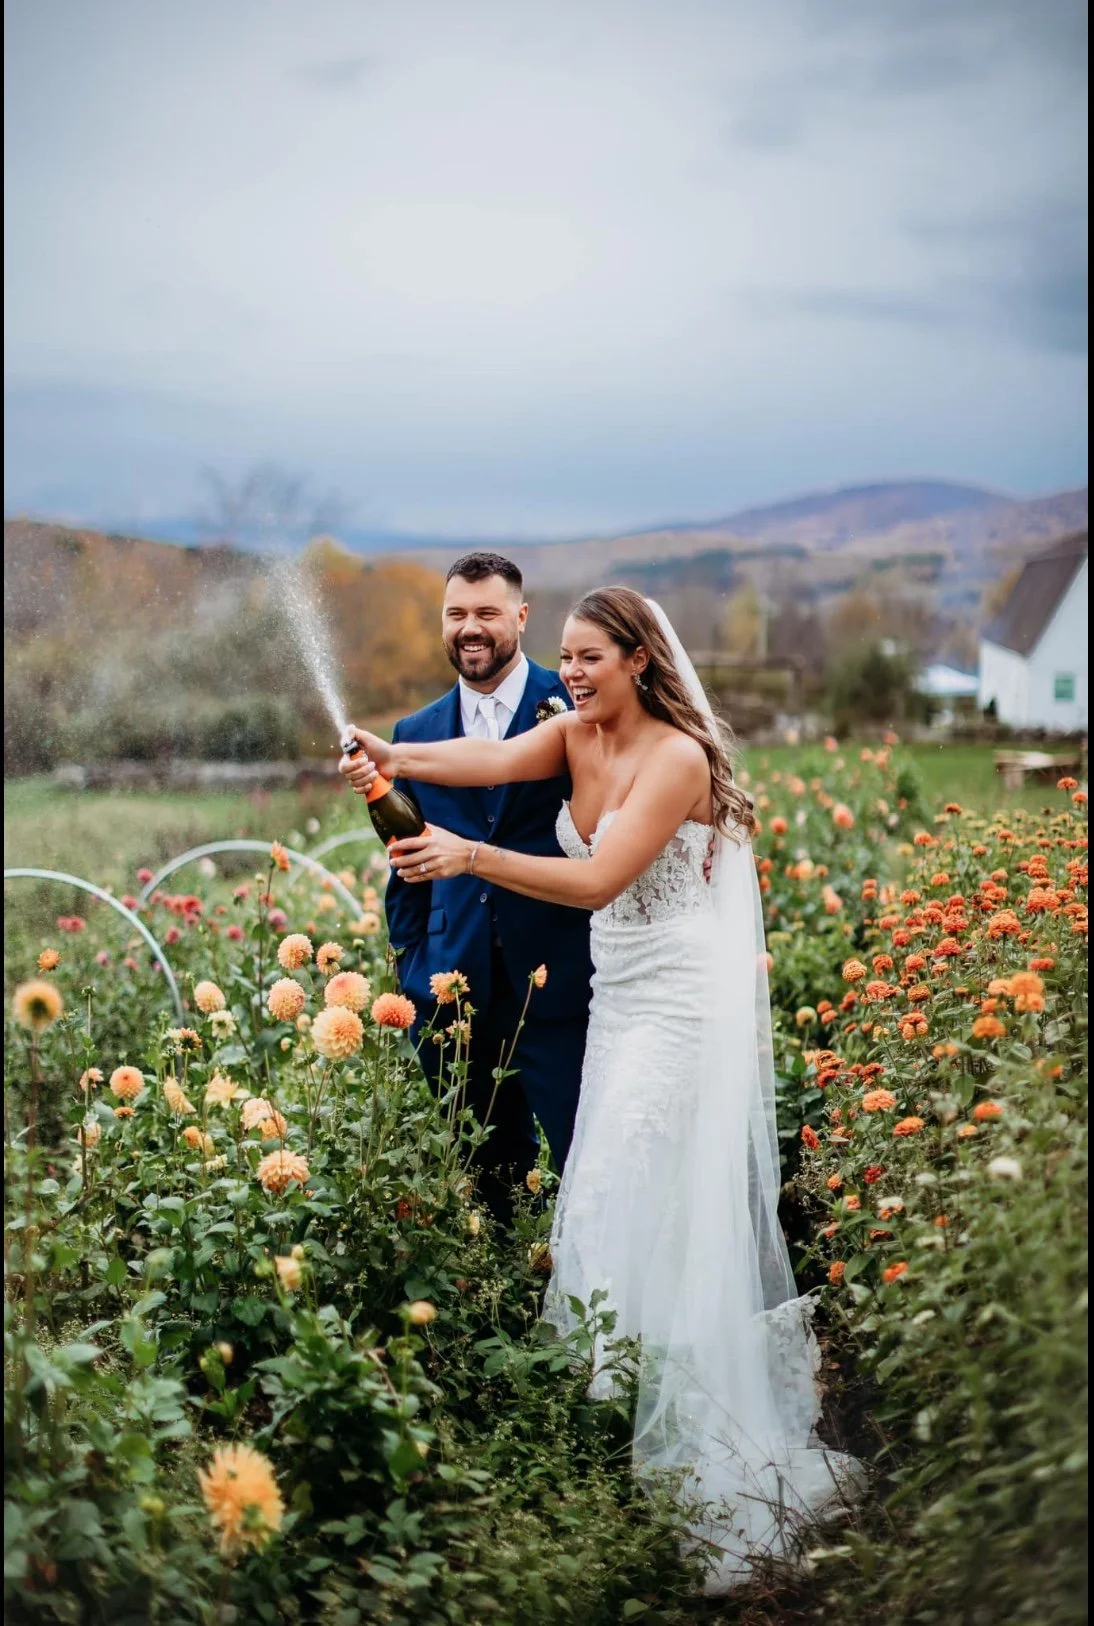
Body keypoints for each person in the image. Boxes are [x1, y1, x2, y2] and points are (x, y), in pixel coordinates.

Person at [340, 585, 859, 1592]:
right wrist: (394, 758)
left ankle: (681, 1428)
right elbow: (487, 759)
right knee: (600, 1193)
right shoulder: (572, 736)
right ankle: (608, 1418)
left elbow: (594, 881)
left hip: (677, 1002)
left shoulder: (675, 758)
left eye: (587, 658)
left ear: (637, 659)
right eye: (565, 658)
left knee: (627, 1191)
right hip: (617, 1001)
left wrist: (470, 855)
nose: (569, 675)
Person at [371, 551, 593, 1224]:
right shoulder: (413, 735)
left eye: (487, 614)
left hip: (562, 973)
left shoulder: (577, 700)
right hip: (454, 984)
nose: (471, 628)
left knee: (587, 1145)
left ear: (521, 618)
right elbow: (403, 870)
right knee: (488, 1170)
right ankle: (508, 1299)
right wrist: (416, 968)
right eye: (457, 614)